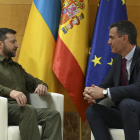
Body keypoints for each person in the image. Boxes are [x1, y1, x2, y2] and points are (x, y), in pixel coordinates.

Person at [0, 28, 62, 140]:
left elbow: (33, 81)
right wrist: (11, 92)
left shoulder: (16, 67)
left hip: (22, 109)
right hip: (4, 109)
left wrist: (41, 85)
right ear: (0, 44)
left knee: (53, 115)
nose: (17, 45)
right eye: (13, 42)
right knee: (28, 110)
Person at [83, 20, 140, 140]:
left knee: (126, 104)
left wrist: (104, 92)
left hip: (136, 112)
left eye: (112, 38)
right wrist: (92, 93)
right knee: (92, 111)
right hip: (125, 114)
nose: (109, 42)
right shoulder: (118, 61)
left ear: (124, 38)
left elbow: (138, 88)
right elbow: (104, 86)